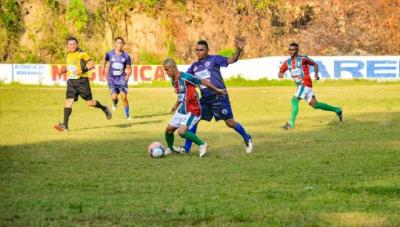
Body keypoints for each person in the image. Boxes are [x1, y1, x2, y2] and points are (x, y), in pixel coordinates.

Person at [182, 37, 253, 154]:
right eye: (197, 50)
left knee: (230, 123)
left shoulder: (214, 59)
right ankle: (186, 149)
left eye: (201, 50)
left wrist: (239, 50)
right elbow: (186, 80)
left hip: (219, 98)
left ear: (207, 50)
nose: (199, 52)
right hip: (205, 100)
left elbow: (231, 60)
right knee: (194, 119)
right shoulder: (194, 66)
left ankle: (247, 137)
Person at [163, 58, 227, 157]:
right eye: (165, 70)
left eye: (167, 69)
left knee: (181, 132)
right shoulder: (173, 81)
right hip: (182, 109)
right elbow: (182, 95)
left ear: (173, 68)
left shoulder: (186, 77)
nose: (166, 72)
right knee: (168, 130)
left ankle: (202, 144)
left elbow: (203, 82)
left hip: (193, 109)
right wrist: (176, 105)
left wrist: (217, 90)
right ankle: (170, 148)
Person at [278, 42, 343, 129]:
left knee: (294, 100)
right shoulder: (287, 62)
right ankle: (337, 110)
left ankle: (291, 123)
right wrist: (280, 74)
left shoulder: (303, 59)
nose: (291, 51)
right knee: (315, 105)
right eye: (289, 49)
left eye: (293, 49)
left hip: (304, 83)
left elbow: (315, 64)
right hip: (301, 86)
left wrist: (316, 74)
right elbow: (281, 71)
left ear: (297, 50)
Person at [54, 37, 112, 132]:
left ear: (77, 44)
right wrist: (64, 70)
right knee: (68, 102)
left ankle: (104, 108)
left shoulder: (82, 54)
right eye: (70, 44)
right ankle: (65, 125)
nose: (72, 45)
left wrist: (82, 70)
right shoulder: (68, 54)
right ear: (67, 46)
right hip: (71, 82)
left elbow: (92, 65)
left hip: (82, 82)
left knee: (90, 103)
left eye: (73, 43)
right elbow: (71, 67)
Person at [102, 37, 133, 120]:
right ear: (115, 44)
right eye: (118, 43)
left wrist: (127, 76)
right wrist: (103, 71)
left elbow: (129, 68)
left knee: (124, 97)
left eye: (121, 43)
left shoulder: (126, 56)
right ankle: (115, 102)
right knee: (114, 97)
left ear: (123, 44)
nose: (119, 44)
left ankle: (127, 115)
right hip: (112, 79)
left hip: (122, 79)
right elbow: (104, 60)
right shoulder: (109, 54)